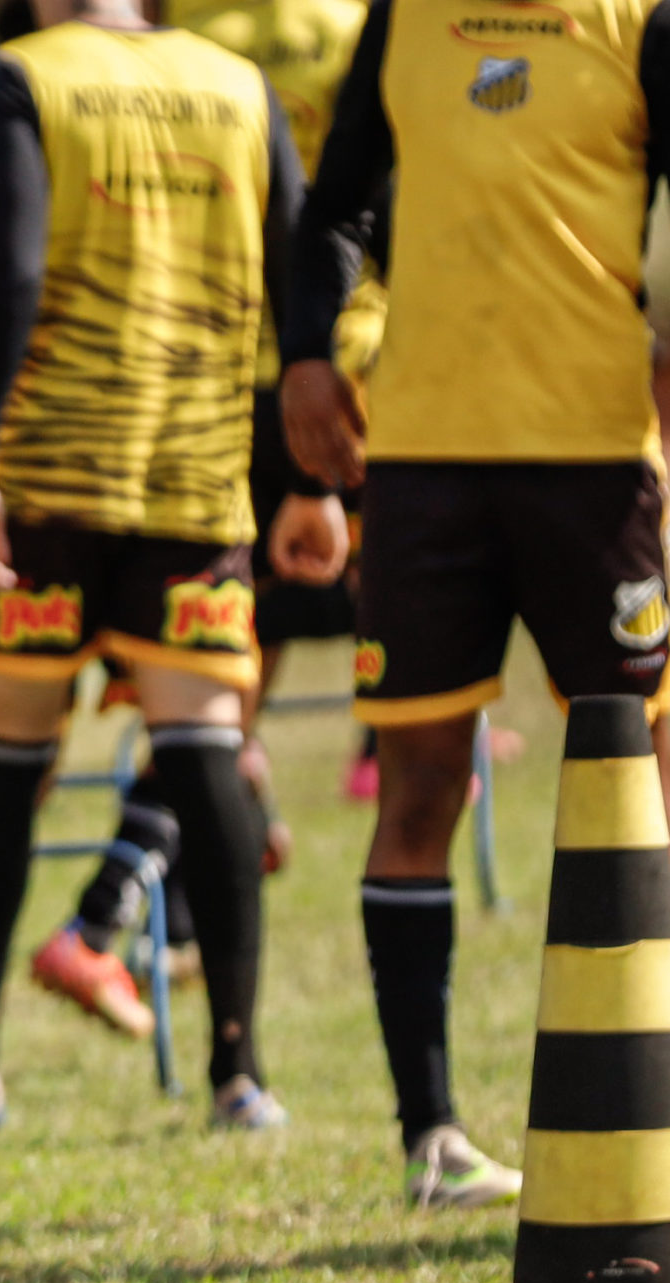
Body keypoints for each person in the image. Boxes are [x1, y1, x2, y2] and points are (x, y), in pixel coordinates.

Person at [0, 0, 339, 1134]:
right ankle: (239, 1073)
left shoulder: (25, 74)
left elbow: (16, 269)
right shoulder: (236, 82)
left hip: (47, 476)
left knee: (7, 767)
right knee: (204, 758)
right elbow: (307, 258)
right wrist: (308, 474)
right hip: (197, 480)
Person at [283, 0, 670, 1207]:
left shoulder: (642, 18)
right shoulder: (405, 14)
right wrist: (306, 353)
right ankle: (431, 1134)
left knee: (647, 780)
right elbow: (335, 200)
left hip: (601, 455)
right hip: (423, 463)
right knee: (417, 789)